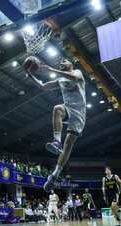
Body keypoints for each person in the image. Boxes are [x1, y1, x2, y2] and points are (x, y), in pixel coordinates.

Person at [27, 58, 86, 192]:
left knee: (69, 144)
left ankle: (54, 176)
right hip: (68, 108)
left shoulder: (77, 72)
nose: (60, 63)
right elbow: (43, 87)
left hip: (79, 113)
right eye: (59, 62)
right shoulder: (60, 80)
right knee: (57, 108)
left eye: (63, 62)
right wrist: (30, 75)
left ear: (70, 65)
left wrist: (53, 70)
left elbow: (74, 77)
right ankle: (56, 141)